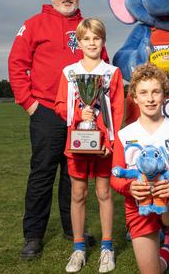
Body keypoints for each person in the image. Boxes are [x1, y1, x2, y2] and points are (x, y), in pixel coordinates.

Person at [8, 0, 106, 260]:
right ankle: (33, 236)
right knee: (42, 174)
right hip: (47, 111)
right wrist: (30, 104)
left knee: (74, 175)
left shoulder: (87, 27)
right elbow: (16, 64)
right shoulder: (34, 24)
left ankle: (71, 228)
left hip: (81, 115)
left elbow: (103, 64)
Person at [111, 64, 169, 274]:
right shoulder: (124, 135)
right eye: (143, 93)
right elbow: (115, 177)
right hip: (139, 208)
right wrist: (130, 187)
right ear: (134, 97)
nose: (150, 98)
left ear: (165, 95)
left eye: (156, 92)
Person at [55, 18, 123, 273]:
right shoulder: (69, 73)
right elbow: (60, 104)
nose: (92, 43)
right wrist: (77, 116)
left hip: (103, 145)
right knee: (77, 194)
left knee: (104, 193)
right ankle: (79, 248)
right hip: (77, 142)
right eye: (87, 39)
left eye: (96, 38)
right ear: (79, 43)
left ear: (103, 41)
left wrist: (111, 142)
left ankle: (107, 247)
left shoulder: (112, 73)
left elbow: (117, 111)